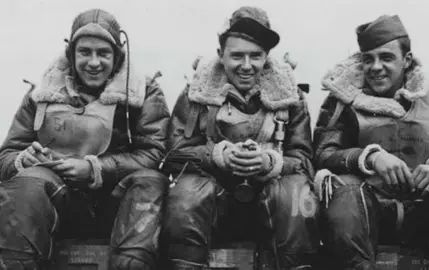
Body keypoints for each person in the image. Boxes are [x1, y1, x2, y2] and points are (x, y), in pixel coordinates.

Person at [0, 9, 170, 269]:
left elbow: (155, 154)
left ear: (118, 55)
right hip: (57, 202)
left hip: (116, 205)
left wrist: (95, 169)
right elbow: (7, 154)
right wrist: (24, 160)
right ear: (71, 54)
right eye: (85, 52)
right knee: (26, 184)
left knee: (150, 181)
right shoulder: (43, 93)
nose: (93, 62)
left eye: (103, 53)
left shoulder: (144, 93)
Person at [313, 14, 429, 270]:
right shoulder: (342, 104)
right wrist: (370, 157)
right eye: (368, 59)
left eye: (386, 57)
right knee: (343, 189)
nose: (376, 67)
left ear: (407, 60)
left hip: (427, 210)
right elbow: (324, 152)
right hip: (368, 214)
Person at [162, 6, 320, 270]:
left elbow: (304, 160)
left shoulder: (291, 98)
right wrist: (218, 156)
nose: (246, 66)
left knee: (297, 191)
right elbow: (173, 155)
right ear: (220, 55)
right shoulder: (195, 95)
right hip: (213, 208)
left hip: (273, 207)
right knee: (188, 191)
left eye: (255, 56)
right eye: (237, 56)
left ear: (267, 57)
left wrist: (271, 163)